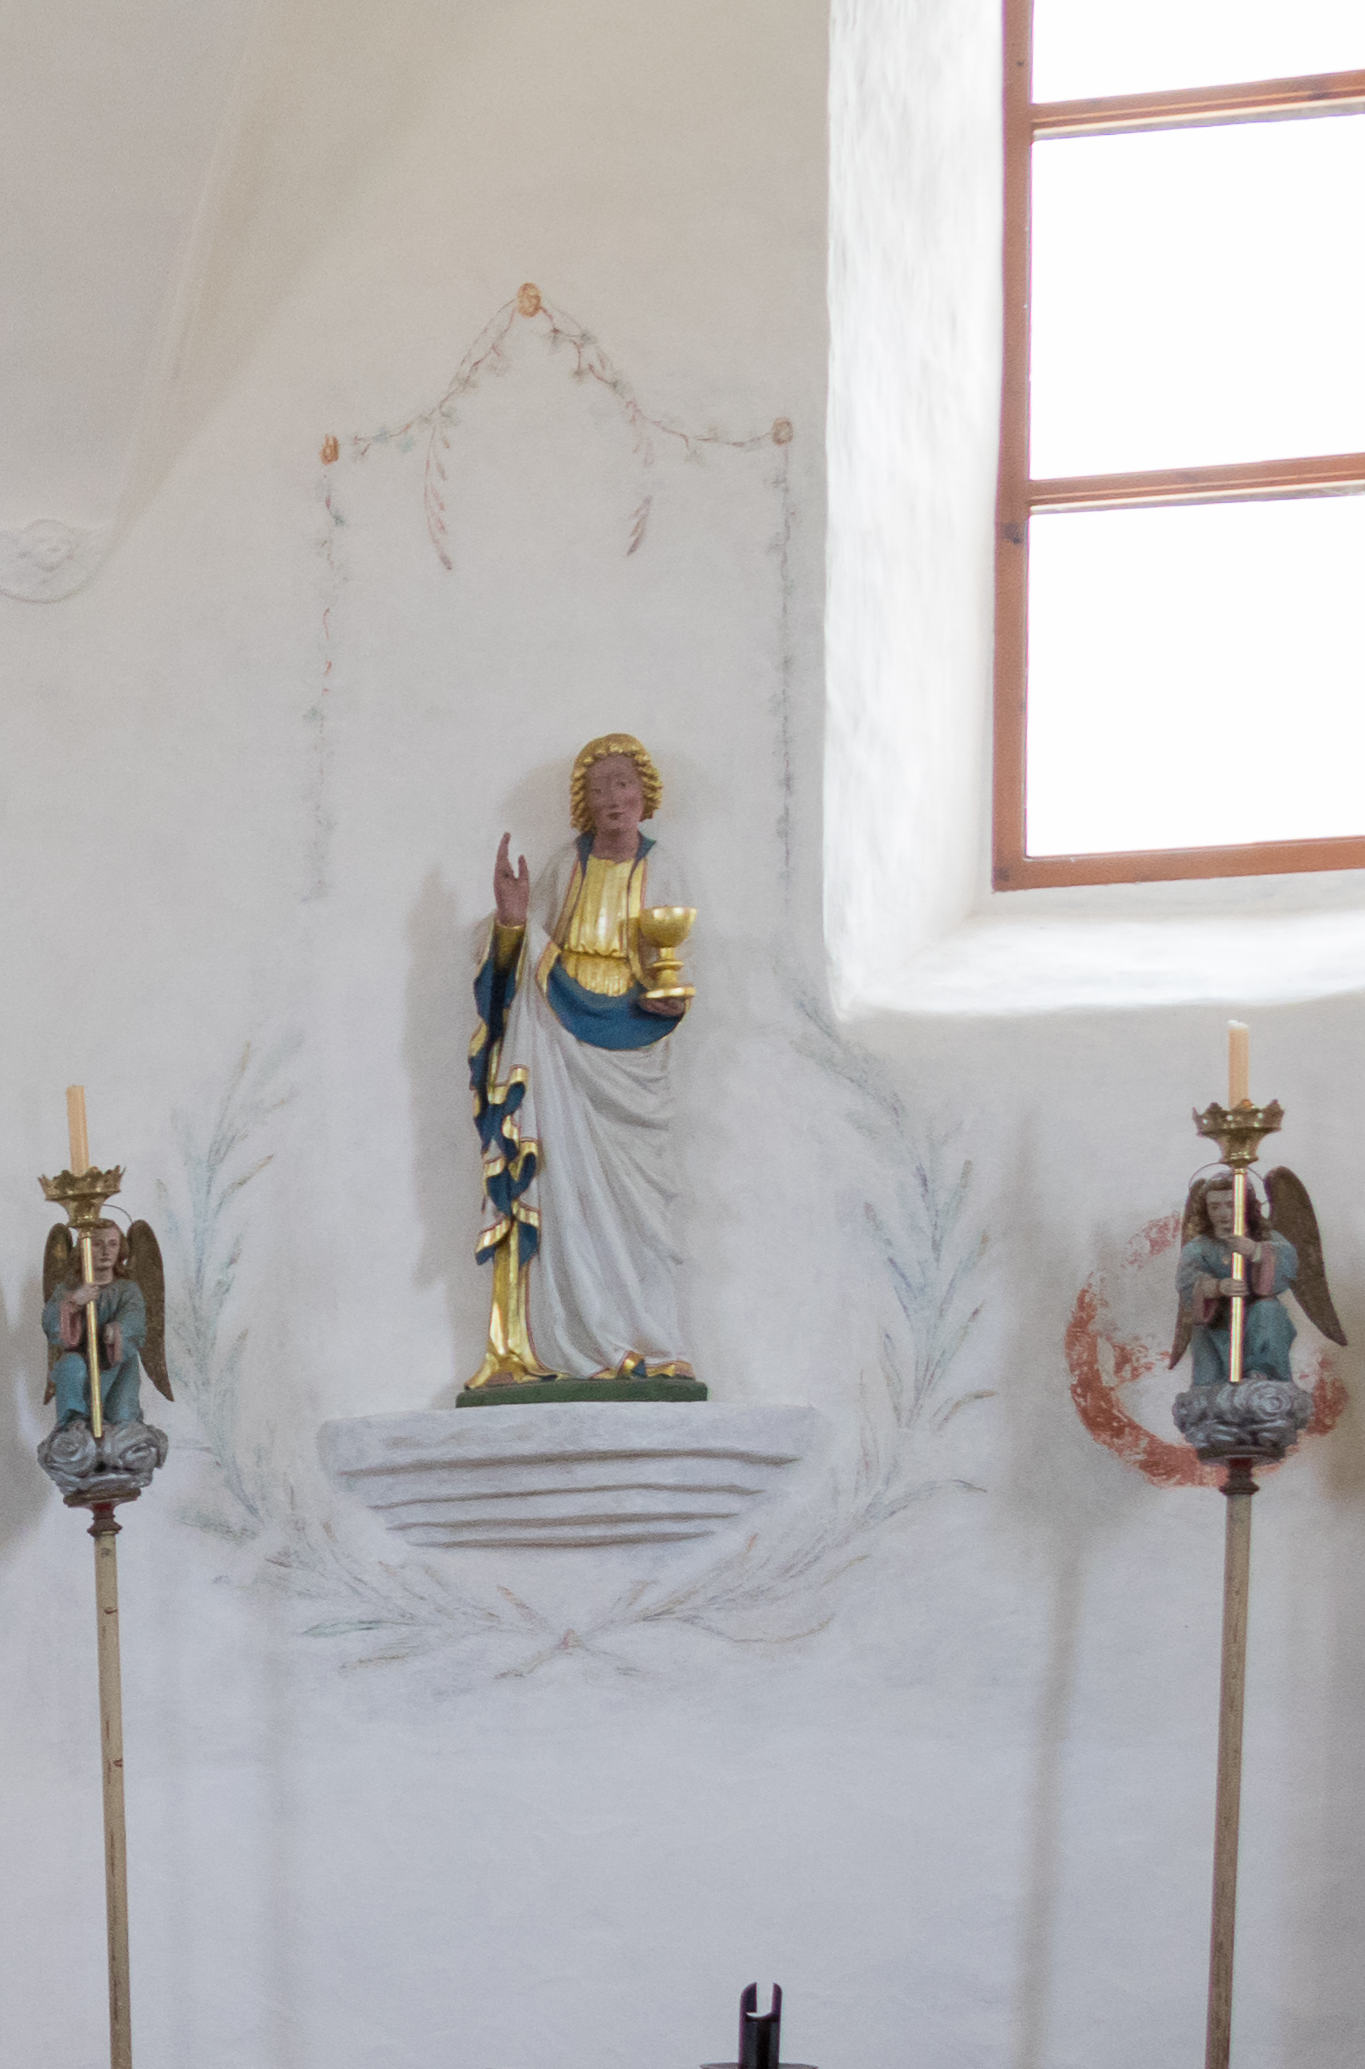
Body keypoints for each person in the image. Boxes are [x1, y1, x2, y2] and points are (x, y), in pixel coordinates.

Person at [466, 733, 696, 1388]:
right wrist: (512, 922)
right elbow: (518, 951)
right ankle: (570, 1340)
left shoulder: (663, 867)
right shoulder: (564, 867)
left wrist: (666, 998)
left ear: (644, 793)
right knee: (567, 1195)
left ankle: (650, 1342)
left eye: (623, 784)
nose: (612, 799)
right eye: (598, 789)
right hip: (558, 1040)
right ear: (584, 803)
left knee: (638, 1210)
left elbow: (673, 964)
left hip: (634, 1049)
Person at [1174, 1173, 1297, 1387]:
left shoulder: (1266, 1237)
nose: (1222, 1213)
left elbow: (1288, 1264)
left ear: (1245, 1206)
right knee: (1205, 1337)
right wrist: (1217, 1287)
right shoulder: (1198, 1248)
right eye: (1214, 1207)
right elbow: (1187, 1283)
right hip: (1218, 1322)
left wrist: (1257, 1251)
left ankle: (1262, 1373)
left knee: (1269, 1310)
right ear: (1206, 1210)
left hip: (1257, 1318)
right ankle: (1213, 1387)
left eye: (1231, 1205)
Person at [43, 1220, 148, 1426]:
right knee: (70, 1365)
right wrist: (73, 1302)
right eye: (97, 1244)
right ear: (84, 1249)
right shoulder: (67, 1289)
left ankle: (121, 1425)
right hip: (81, 1360)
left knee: (121, 1417)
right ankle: (74, 1422)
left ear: (121, 1249)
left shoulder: (127, 1290)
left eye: (113, 1244)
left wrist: (116, 1331)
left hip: (116, 1361)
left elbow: (135, 1320)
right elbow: (51, 1326)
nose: (106, 1251)